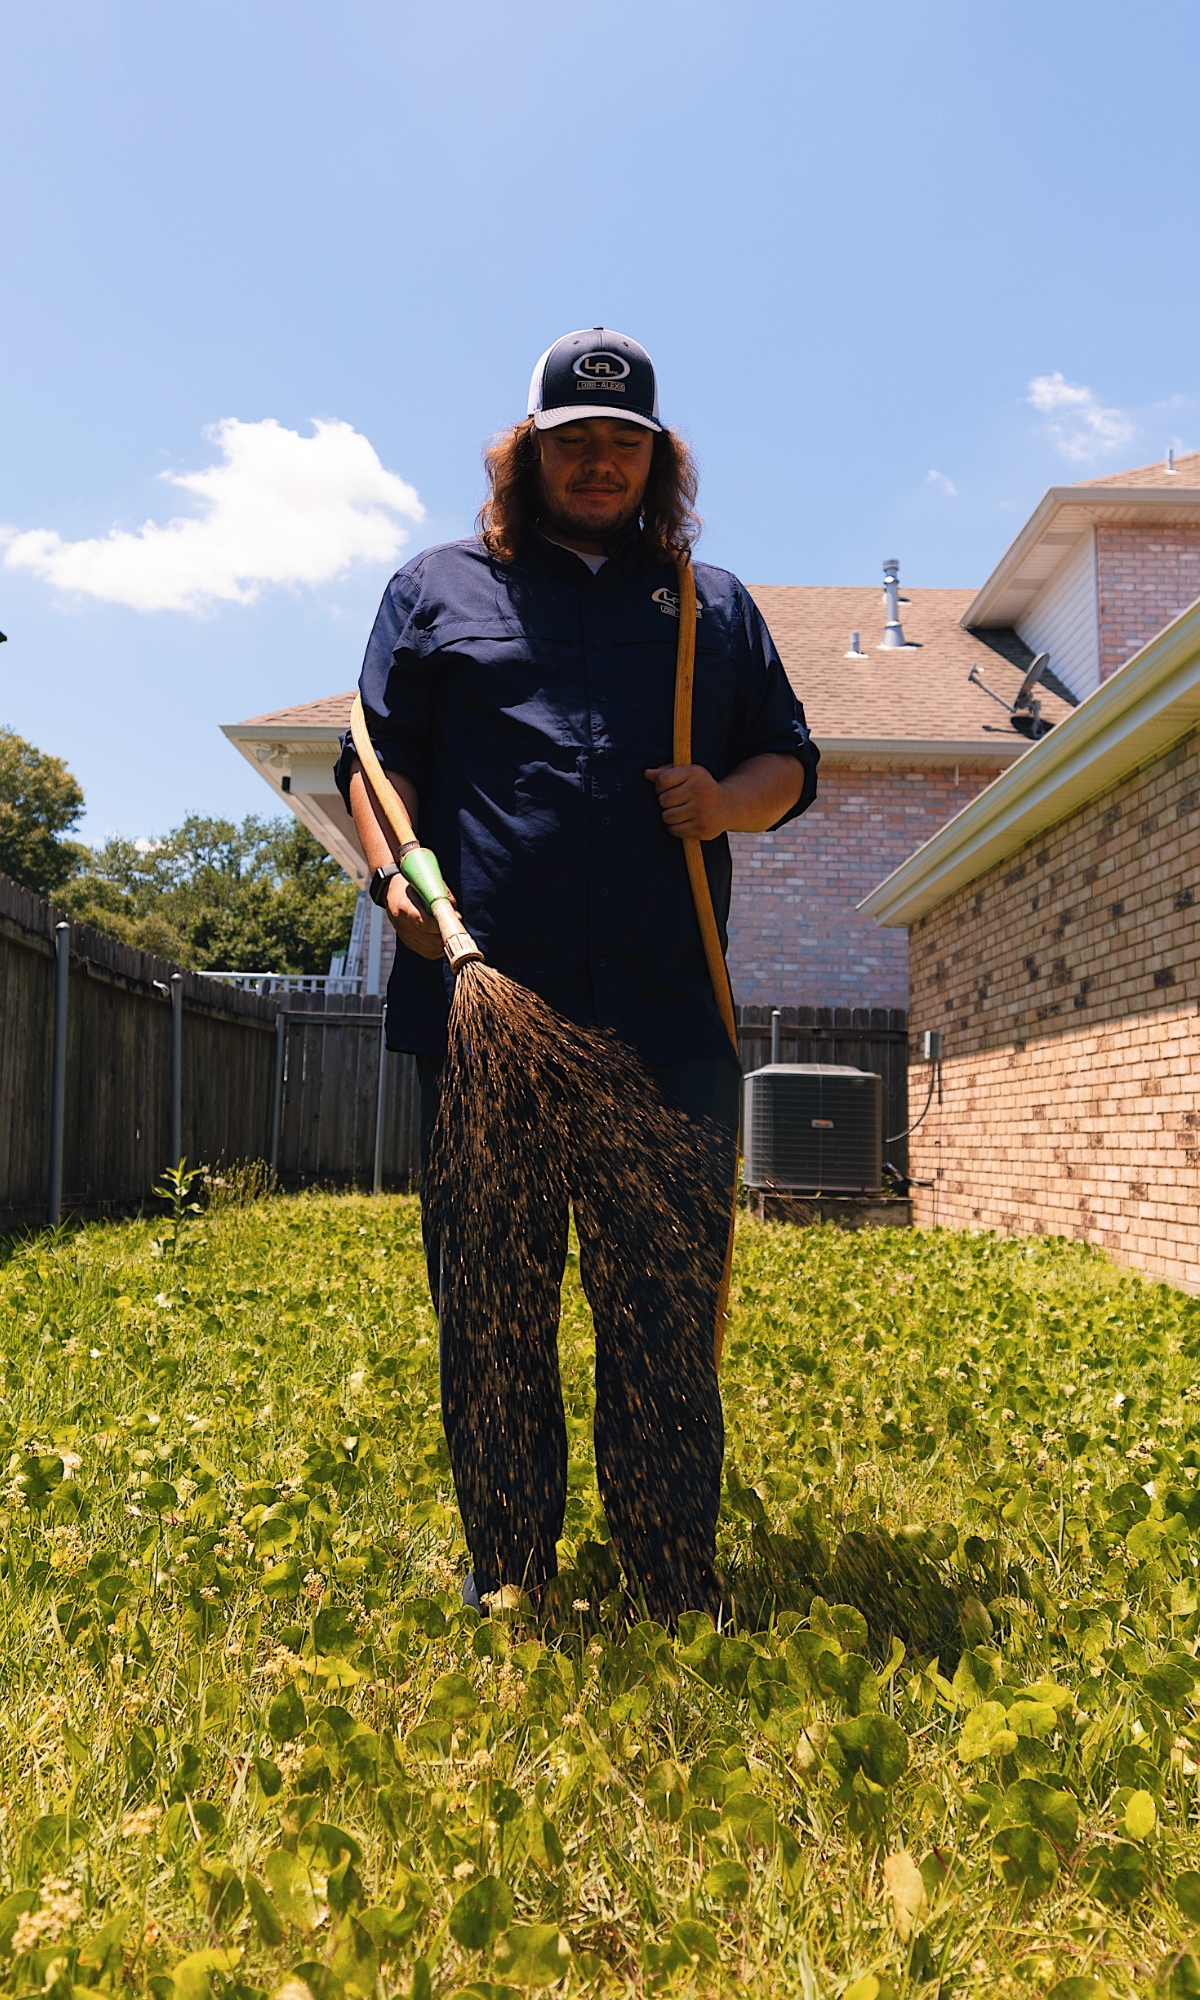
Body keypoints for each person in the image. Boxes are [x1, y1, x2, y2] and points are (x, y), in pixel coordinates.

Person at [336, 328, 818, 1622]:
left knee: (661, 1317)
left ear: (656, 460)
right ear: (527, 452)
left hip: (669, 1028)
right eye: (572, 441)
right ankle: (513, 1572)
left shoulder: (711, 608)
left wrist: (724, 798)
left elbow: (790, 764)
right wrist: (398, 885)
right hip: (490, 1024)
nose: (598, 462)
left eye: (623, 443)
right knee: (493, 1313)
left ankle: (673, 1576)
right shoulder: (438, 590)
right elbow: (372, 773)